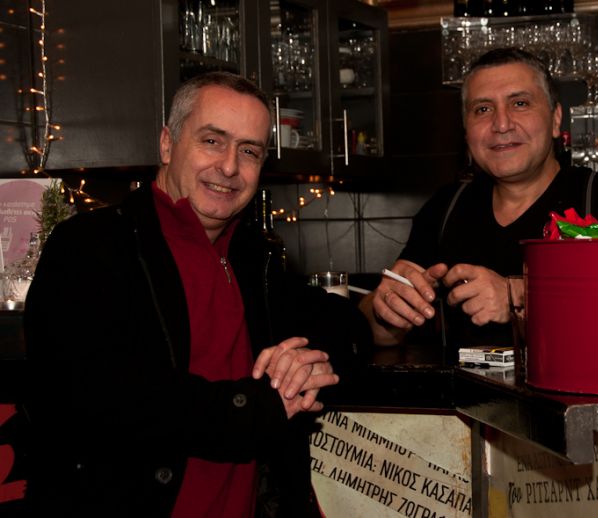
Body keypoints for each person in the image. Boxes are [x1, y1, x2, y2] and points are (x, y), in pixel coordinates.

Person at [23, 72, 369, 516]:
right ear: (167, 144)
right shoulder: (91, 246)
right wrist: (260, 407)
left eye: (249, 151)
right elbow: (109, 396)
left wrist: (311, 361)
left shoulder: (253, 256)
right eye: (212, 141)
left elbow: (340, 327)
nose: (229, 167)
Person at [360, 48, 598, 349]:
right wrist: (385, 309)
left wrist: (518, 295)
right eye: (483, 109)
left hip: (586, 384)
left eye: (520, 103)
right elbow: (379, 334)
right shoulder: (445, 208)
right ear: (466, 132)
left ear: (556, 119)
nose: (501, 124)